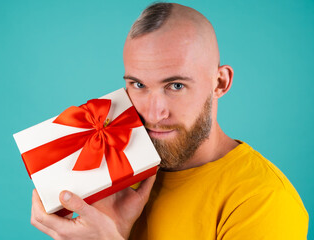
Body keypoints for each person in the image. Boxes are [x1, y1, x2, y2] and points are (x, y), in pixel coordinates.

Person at [30, 2, 309, 239]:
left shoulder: (264, 200)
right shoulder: (113, 171)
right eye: (138, 85)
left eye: (175, 86)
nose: (153, 114)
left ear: (220, 83)